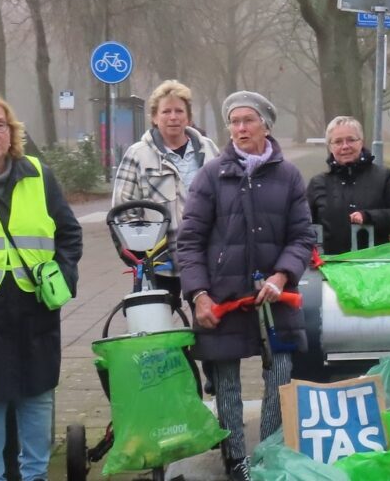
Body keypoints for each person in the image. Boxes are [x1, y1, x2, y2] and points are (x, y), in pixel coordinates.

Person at [177, 90, 315, 480]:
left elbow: (303, 236)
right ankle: (235, 457)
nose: (240, 128)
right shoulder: (211, 175)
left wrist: (282, 274)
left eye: (248, 120)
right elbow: (189, 241)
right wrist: (199, 295)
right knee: (226, 383)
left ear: (265, 125)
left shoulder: (288, 176)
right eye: (234, 122)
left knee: (280, 373)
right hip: (223, 298)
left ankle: (269, 452)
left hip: (276, 300)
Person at [0, 94, 83, 481]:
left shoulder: (39, 174)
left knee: (36, 396)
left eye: (0, 125)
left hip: (34, 302)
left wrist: (63, 275)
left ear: (12, 133)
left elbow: (69, 234)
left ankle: (35, 476)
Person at [113, 80, 219, 298]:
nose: (173, 117)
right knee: (155, 327)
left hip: (206, 260)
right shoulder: (137, 154)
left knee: (209, 326)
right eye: (166, 111)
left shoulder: (208, 149)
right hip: (160, 264)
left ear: (188, 117)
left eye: (179, 111)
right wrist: (141, 253)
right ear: (154, 117)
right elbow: (123, 210)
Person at [307, 115, 390, 254]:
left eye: (351, 139)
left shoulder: (383, 176)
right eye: (338, 142)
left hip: (376, 265)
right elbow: (303, 225)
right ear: (330, 147)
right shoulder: (318, 183)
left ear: (361, 142)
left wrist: (369, 217)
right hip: (332, 268)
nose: (345, 146)